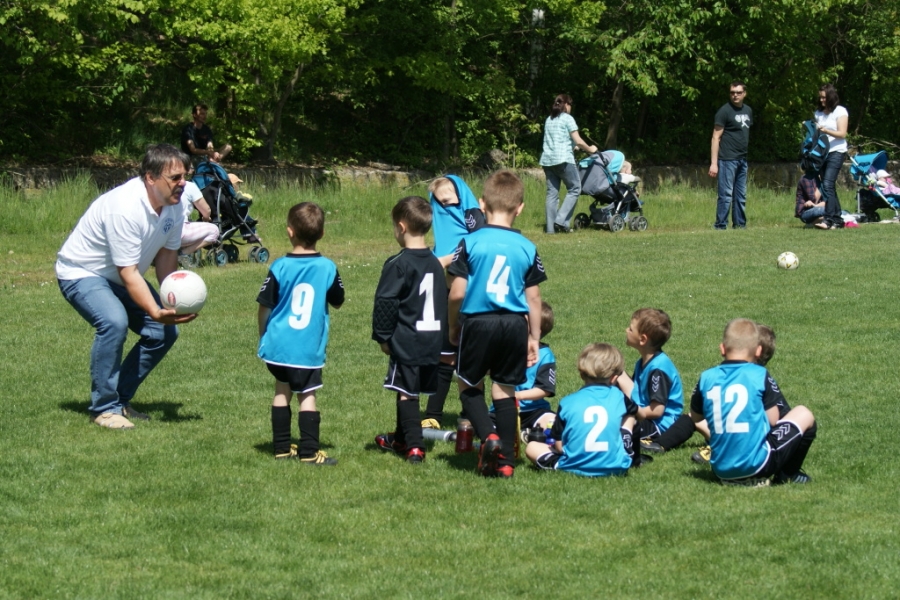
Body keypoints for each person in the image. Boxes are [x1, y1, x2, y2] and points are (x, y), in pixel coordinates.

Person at [56, 144, 197, 429]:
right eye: (175, 177)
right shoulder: (124, 208)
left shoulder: (176, 205)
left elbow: (167, 256)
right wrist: (154, 311)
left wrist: (173, 299)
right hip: (82, 272)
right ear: (150, 177)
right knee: (114, 322)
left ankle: (119, 400)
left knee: (163, 332)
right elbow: (129, 273)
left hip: (121, 275)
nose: (183, 183)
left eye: (185, 176)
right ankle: (104, 409)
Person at [447, 170, 547, 478]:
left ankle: (489, 436)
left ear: (481, 204)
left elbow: (457, 293)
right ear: (520, 208)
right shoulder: (527, 246)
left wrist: (453, 325)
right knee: (505, 390)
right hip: (515, 325)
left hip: (479, 321)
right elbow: (534, 298)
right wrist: (534, 337)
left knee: (468, 383)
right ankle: (505, 463)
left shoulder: (469, 242)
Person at [256, 202, 344, 465]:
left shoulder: (279, 266)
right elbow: (338, 301)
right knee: (307, 396)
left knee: (281, 390)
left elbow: (264, 306)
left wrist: (263, 336)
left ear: (289, 231)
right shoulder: (327, 267)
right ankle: (309, 452)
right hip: (307, 350)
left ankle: (282, 449)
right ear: (322, 233)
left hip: (278, 347)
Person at [689, 319, 817, 486]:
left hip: (720, 469)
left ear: (722, 348)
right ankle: (788, 474)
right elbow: (773, 420)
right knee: (804, 413)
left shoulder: (706, 377)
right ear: (758, 351)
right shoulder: (759, 374)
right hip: (757, 465)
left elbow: (696, 417)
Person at [372, 196, 448, 463]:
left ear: (401, 227)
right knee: (406, 386)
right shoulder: (436, 263)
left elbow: (385, 302)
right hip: (432, 338)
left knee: (407, 393)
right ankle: (401, 439)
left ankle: (415, 447)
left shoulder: (399, 263)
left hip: (407, 338)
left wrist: (383, 336)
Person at [421, 175, 485, 429]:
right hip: (445, 292)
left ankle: (470, 414)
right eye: (440, 203)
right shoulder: (441, 218)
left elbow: (476, 244)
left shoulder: (473, 218)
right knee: (445, 355)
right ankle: (433, 414)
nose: (445, 207)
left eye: (449, 201)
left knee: (471, 357)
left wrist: (445, 261)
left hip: (470, 292)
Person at [525, 343, 638, 477]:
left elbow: (560, 447)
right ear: (614, 378)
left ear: (581, 375)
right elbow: (635, 411)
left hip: (573, 467)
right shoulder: (619, 397)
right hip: (617, 466)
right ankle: (626, 447)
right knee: (630, 416)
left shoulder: (567, 402)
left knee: (532, 447)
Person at [616, 308, 694, 457]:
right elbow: (637, 392)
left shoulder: (658, 369)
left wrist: (633, 412)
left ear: (643, 339)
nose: (626, 330)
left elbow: (657, 410)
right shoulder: (644, 361)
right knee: (613, 372)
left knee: (617, 427)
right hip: (644, 413)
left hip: (659, 424)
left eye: (631, 329)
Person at [539, 94, 598, 233]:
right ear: (566, 105)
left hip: (547, 161)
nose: (571, 107)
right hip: (563, 160)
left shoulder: (549, 119)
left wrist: (573, 147)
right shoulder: (568, 118)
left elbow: (557, 140)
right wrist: (590, 149)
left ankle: (551, 229)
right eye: (570, 104)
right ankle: (560, 221)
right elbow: (578, 140)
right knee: (575, 188)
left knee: (552, 194)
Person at [710, 81, 753, 229]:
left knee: (741, 195)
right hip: (727, 159)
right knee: (726, 195)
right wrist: (714, 163)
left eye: (738, 92)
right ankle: (721, 225)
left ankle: (740, 225)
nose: (735, 95)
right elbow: (715, 137)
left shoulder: (748, 110)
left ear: (744, 94)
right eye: (732, 93)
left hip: (742, 159)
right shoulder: (724, 111)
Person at [510, 301, 557, 436]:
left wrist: (517, 396)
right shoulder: (508, 347)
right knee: (485, 427)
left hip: (535, 411)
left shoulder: (545, 355)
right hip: (504, 409)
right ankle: (527, 434)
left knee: (554, 422)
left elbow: (545, 389)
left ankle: (531, 434)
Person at [813, 84, 849, 230]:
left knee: (827, 184)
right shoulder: (818, 113)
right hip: (823, 153)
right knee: (828, 186)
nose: (822, 100)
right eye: (820, 97)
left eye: (824, 97)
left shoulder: (840, 111)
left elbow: (842, 133)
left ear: (831, 97)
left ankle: (827, 220)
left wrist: (826, 130)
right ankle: (838, 220)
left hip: (837, 151)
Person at [179, 180, 219, 255]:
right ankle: (183, 253)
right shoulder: (189, 186)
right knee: (214, 230)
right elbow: (206, 210)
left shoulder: (159, 186)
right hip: (179, 232)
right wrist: (206, 218)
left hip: (160, 233)